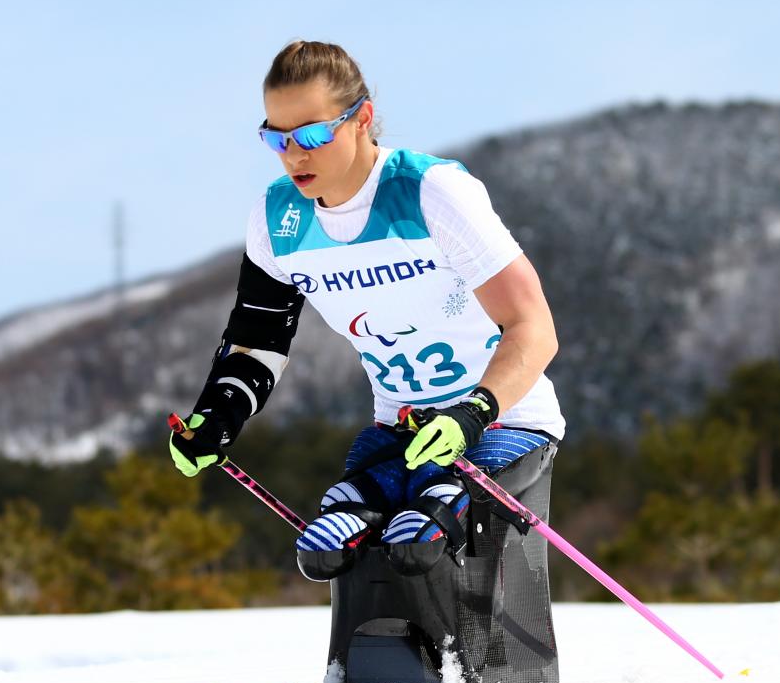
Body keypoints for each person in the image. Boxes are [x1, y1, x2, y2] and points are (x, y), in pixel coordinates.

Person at [169, 40, 565, 579]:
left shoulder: (430, 192)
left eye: (311, 134)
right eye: (275, 137)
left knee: (421, 542)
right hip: (398, 433)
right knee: (325, 549)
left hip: (503, 424)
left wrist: (474, 412)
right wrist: (219, 415)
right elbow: (258, 342)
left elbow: (533, 328)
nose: (294, 155)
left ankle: (469, 664)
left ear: (362, 120)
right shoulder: (276, 219)